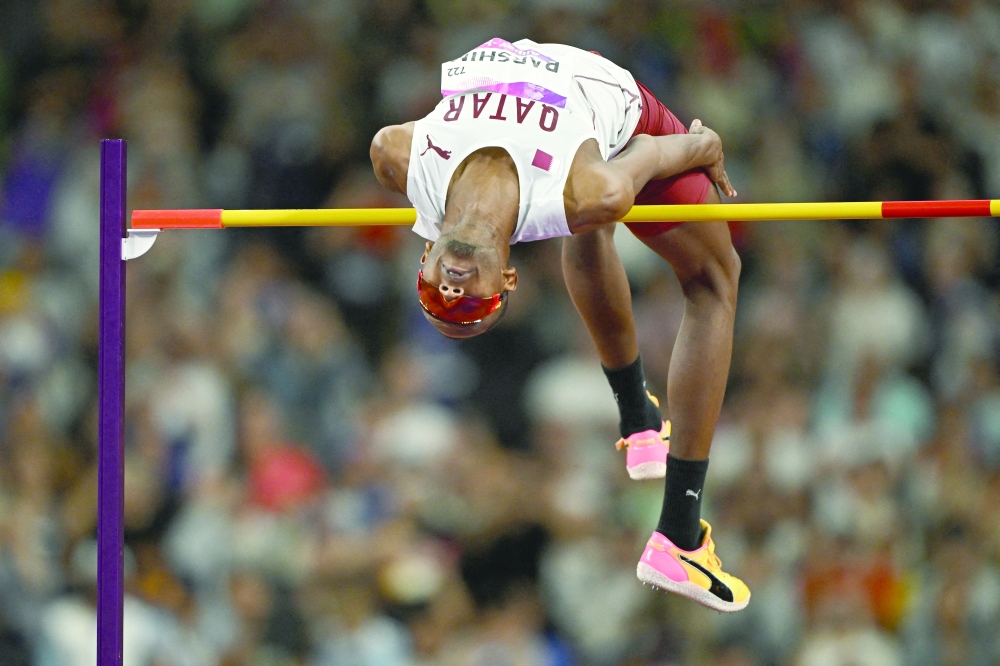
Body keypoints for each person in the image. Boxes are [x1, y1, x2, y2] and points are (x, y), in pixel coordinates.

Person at [370, 38, 748, 612]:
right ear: (509, 279)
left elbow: (391, 141)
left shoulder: (397, 157)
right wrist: (702, 144)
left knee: (583, 218)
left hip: (531, 82)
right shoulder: (595, 189)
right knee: (714, 278)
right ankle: (679, 533)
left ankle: (640, 421)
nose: (452, 290)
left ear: (423, 257)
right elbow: (650, 149)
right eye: (467, 304)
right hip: (613, 108)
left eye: (439, 295)